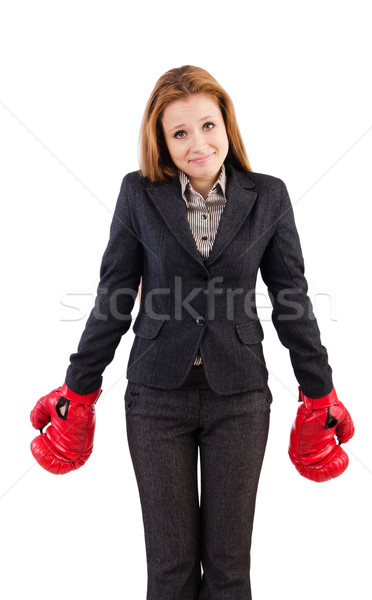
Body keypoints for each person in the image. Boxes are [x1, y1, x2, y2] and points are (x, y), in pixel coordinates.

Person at [30, 65, 355, 599]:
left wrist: (320, 391)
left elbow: (291, 298)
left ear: (226, 123)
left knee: (229, 570)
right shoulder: (138, 194)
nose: (198, 143)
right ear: (162, 139)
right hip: (157, 398)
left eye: (208, 125)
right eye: (180, 132)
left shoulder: (268, 196)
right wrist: (78, 386)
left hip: (240, 398)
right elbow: (114, 295)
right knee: (170, 569)